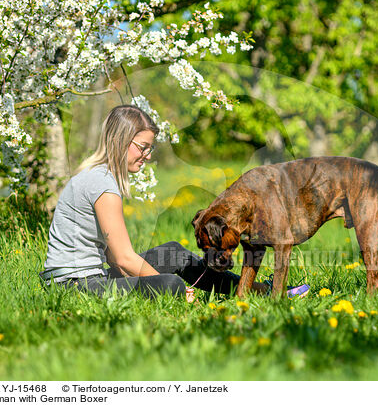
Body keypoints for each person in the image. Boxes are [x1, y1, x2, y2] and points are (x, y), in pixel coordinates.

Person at [40, 104, 309, 301]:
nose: (146, 155)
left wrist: (147, 276)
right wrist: (163, 282)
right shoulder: (102, 184)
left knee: (174, 253)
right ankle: (199, 294)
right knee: (171, 285)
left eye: (150, 147)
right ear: (120, 141)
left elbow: (113, 258)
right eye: (142, 146)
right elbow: (122, 257)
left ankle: (254, 289)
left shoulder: (100, 177)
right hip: (73, 286)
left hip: (93, 276)